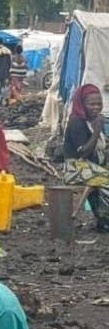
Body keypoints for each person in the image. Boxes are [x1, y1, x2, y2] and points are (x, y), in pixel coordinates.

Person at [63, 84, 109, 231]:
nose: (96, 107)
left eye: (99, 104)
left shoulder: (93, 120)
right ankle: (105, 220)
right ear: (82, 103)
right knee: (106, 182)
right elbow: (83, 153)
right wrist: (96, 132)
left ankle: (103, 221)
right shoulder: (77, 122)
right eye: (91, 104)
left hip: (90, 167)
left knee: (102, 179)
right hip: (75, 167)